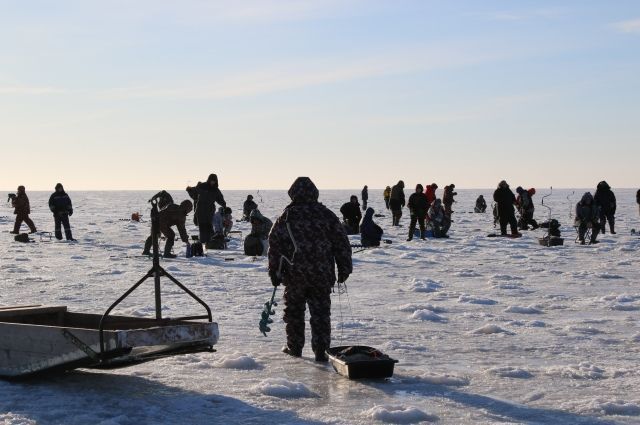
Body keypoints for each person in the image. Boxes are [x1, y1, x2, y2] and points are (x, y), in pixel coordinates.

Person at [268, 177, 352, 362]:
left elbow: (275, 245)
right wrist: (344, 267)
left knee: (294, 313)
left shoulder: (287, 216)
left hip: (294, 276)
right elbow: (341, 243)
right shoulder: (326, 214)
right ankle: (321, 351)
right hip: (321, 275)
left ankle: (295, 348)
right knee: (321, 314)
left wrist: (274, 271)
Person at [186, 174, 226, 244]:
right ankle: (203, 242)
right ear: (209, 180)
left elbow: (220, 198)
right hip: (200, 209)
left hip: (210, 210)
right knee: (202, 226)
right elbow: (194, 194)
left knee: (209, 226)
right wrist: (190, 190)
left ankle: (209, 242)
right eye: (211, 180)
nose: (212, 182)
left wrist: (224, 205)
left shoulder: (215, 189)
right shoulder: (201, 186)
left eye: (214, 181)